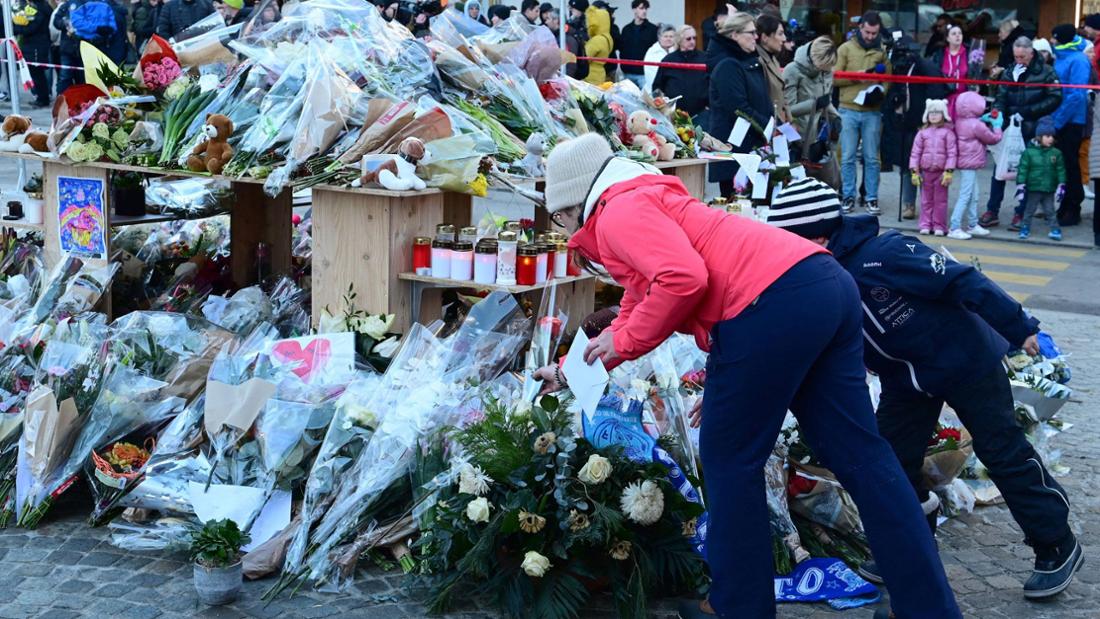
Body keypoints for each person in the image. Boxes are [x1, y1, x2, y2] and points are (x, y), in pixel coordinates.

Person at [533, 134, 962, 619]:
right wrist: (575, 368)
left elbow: (682, 279)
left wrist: (627, 342)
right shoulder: (643, 195)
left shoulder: (617, 213)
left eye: (559, 217)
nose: (564, 227)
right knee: (863, 457)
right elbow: (639, 294)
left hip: (766, 305)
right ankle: (928, 608)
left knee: (729, 461)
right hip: (822, 284)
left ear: (575, 203)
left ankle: (738, 606)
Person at [766, 181, 1083, 604]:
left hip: (965, 361)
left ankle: (1055, 543)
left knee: (1002, 451)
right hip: (906, 379)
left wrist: (1018, 326)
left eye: (790, 244)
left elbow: (964, 280)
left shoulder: (887, 254)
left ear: (819, 237)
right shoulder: (820, 276)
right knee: (889, 463)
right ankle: (910, 546)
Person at [983, 37, 1062, 231]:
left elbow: (1055, 97)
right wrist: (998, 118)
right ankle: (992, 210)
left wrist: (1028, 112)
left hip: (1033, 128)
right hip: (1010, 127)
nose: (1019, 60)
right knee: (1000, 169)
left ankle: (1020, 213)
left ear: (1031, 53)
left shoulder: (1047, 72)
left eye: (1022, 57)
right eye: (1016, 56)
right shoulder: (1010, 71)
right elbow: (1001, 97)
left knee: (1027, 172)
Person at [883, 33, 948, 221]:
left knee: (926, 168)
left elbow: (936, 89)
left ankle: (929, 205)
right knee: (907, 167)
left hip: (923, 124)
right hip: (902, 124)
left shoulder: (924, 67)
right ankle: (908, 204)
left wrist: (930, 120)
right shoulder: (897, 67)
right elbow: (891, 91)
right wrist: (895, 100)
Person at [707, 11, 772, 198]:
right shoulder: (727, 65)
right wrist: (767, 126)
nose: (756, 37)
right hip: (736, 150)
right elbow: (738, 108)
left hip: (752, 146)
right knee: (737, 206)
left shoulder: (748, 61)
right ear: (734, 35)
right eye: (751, 33)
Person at [835, 11, 889, 216]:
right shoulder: (845, 49)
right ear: (860, 28)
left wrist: (880, 91)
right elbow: (834, 78)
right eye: (867, 32)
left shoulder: (882, 50)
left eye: (874, 33)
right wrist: (856, 77)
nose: (870, 36)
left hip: (872, 110)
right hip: (848, 108)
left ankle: (871, 197)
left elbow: (889, 78)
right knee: (847, 156)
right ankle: (847, 195)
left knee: (872, 158)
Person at [784, 36, 840, 186]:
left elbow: (826, 101)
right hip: (798, 138)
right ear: (814, 58)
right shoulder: (792, 70)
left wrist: (836, 117)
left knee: (825, 184)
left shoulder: (826, 70)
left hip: (820, 136)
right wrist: (814, 104)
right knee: (798, 186)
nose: (825, 70)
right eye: (822, 67)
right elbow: (787, 110)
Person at [1050, 24, 1091, 226]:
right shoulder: (1061, 56)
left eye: (1055, 37)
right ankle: (1065, 203)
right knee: (1063, 165)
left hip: (1072, 120)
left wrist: (1058, 121)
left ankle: (1074, 206)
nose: (1052, 41)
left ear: (1062, 39)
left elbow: (1076, 95)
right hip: (1059, 117)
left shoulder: (1078, 60)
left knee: (1070, 164)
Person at [950, 91, 1002, 239]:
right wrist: (997, 126)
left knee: (974, 195)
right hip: (970, 163)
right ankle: (954, 226)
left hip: (966, 161)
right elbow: (993, 139)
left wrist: (982, 119)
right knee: (966, 195)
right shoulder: (976, 125)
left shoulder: (960, 121)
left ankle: (973, 224)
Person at [909, 99, 957, 236]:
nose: (934, 115)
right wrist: (914, 171)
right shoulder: (922, 133)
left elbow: (952, 153)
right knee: (926, 200)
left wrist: (949, 171)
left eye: (937, 112)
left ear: (944, 114)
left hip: (941, 173)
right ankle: (925, 224)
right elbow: (915, 153)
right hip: (926, 172)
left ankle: (939, 225)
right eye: (931, 112)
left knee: (940, 201)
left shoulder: (948, 133)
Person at [1016, 117, 1066, 241]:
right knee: (1029, 210)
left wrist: (1062, 184)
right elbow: (1023, 169)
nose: (1051, 139)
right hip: (1034, 187)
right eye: (1047, 136)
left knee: (1050, 210)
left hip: (1049, 188)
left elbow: (1060, 170)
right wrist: (1021, 184)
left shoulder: (1056, 153)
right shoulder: (1029, 153)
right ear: (1039, 137)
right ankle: (1025, 228)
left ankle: (1055, 229)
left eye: (1052, 136)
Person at [651, 25, 707, 118]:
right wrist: (663, 106)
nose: (692, 41)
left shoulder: (704, 58)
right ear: (679, 40)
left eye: (694, 38)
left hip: (701, 113)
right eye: (688, 39)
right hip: (674, 114)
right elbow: (657, 87)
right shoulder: (668, 60)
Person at [13, 0, 53, 107]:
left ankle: (43, 99)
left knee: (37, 73)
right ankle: (40, 97)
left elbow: (31, 28)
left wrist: (16, 28)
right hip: (32, 45)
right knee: (35, 73)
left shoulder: (40, 9)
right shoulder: (37, 7)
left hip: (37, 45)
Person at [755, 13, 790, 124]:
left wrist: (790, 120)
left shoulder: (773, 59)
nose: (784, 39)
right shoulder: (758, 62)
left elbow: (782, 95)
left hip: (780, 124)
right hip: (768, 125)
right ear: (765, 37)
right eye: (780, 34)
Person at [931, 25, 969, 119]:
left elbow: (974, 74)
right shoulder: (939, 54)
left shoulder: (970, 53)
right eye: (954, 34)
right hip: (944, 99)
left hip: (965, 100)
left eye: (960, 33)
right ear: (947, 38)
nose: (958, 36)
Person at [618, 0, 656, 90]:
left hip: (644, 73)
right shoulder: (626, 29)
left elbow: (654, 51)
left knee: (646, 98)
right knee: (627, 97)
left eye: (646, 8)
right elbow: (622, 49)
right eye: (641, 8)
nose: (644, 11)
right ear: (634, 9)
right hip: (627, 72)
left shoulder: (653, 29)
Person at [581, 3, 612, 85]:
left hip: (591, 77)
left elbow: (584, 57)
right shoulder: (607, 37)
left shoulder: (597, 40)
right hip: (599, 74)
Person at [642, 23, 675, 93]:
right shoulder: (653, 52)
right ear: (659, 37)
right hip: (655, 92)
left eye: (671, 36)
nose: (668, 39)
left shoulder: (675, 50)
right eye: (665, 36)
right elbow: (654, 78)